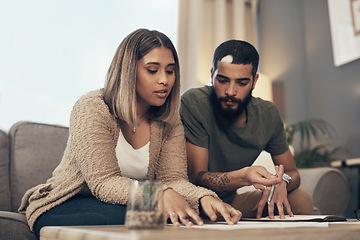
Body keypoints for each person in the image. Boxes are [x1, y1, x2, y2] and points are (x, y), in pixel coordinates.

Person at [18, 29, 241, 238]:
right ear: (128, 71)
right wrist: (159, 195)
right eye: (152, 70)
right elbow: (102, 183)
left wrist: (204, 196)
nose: (164, 79)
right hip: (67, 202)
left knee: (178, 215)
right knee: (129, 217)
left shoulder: (170, 120)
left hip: (126, 206)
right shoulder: (91, 107)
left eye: (170, 71)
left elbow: (173, 180)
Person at [180, 39, 314, 219]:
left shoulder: (268, 114)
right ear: (212, 75)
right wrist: (245, 176)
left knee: (300, 199)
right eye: (222, 80)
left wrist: (282, 182)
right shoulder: (195, 103)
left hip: (230, 202)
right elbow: (198, 178)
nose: (230, 91)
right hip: (195, 202)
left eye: (241, 83)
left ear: (254, 80)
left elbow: (293, 173)